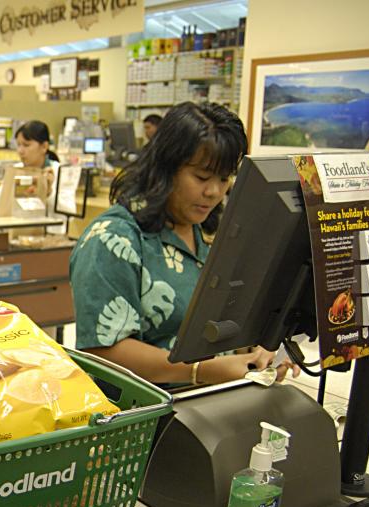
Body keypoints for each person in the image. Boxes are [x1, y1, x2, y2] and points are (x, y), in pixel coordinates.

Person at [69, 102, 299, 386]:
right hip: (151, 413)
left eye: (225, 178)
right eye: (201, 177)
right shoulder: (112, 239)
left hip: (215, 399)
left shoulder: (208, 233)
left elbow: (222, 320)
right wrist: (200, 371)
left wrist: (255, 354)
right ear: (165, 168)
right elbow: (102, 351)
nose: (214, 191)